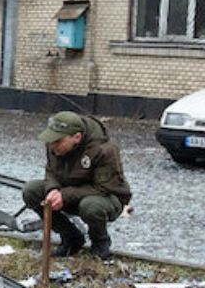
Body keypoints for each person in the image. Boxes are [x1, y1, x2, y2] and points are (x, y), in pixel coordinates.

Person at [22, 111, 132, 260]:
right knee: (31, 190)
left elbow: (104, 188)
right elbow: (51, 171)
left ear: (77, 137)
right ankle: (71, 238)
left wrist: (64, 195)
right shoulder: (53, 145)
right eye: (51, 140)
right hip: (69, 193)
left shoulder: (104, 150)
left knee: (91, 206)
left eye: (58, 141)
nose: (52, 146)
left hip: (106, 198)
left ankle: (100, 244)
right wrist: (53, 189)